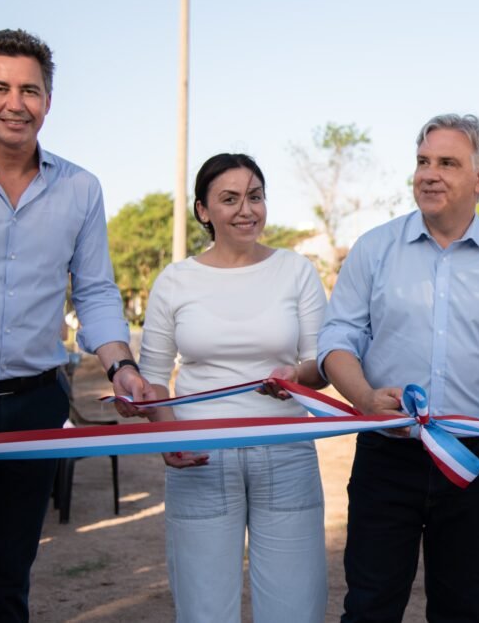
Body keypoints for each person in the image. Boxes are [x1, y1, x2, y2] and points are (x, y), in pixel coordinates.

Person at [0, 28, 150, 622]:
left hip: (34, 408)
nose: (15, 103)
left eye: (31, 90)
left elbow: (96, 289)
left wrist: (122, 366)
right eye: (0, 87)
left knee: (7, 581)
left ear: (48, 102)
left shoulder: (81, 188)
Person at [318, 114, 479, 622]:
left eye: (447, 163)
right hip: (386, 455)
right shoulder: (374, 249)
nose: (429, 174)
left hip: (472, 459)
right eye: (423, 162)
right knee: (370, 606)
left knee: (460, 609)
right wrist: (363, 398)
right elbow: (336, 339)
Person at [131, 153, 329, 623]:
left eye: (255, 196)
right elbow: (155, 378)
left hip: (286, 452)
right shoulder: (175, 281)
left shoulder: (296, 271)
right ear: (203, 210)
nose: (247, 209)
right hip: (200, 458)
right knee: (203, 609)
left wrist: (295, 379)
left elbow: (321, 364)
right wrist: (169, 438)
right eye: (230, 199)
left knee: (294, 608)